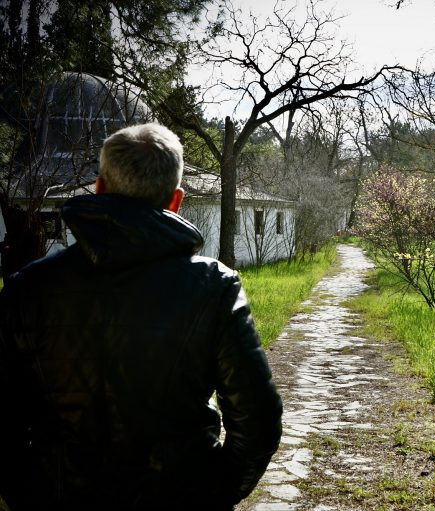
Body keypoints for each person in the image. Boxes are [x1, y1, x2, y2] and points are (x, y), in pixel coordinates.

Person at [0, 123, 282, 510]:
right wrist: (214, 491)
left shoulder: (26, 288)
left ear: (99, 187)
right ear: (176, 200)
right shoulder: (213, 287)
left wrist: (26, 495)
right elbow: (257, 420)